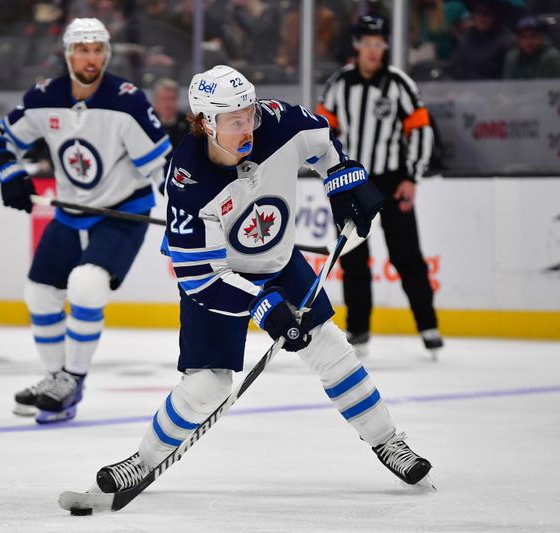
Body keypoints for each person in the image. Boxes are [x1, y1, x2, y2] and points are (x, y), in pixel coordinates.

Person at [90, 65, 433, 495]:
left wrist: (344, 180)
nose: (247, 127)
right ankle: (141, 462)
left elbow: (325, 143)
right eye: (234, 121)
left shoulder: (278, 122)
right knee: (207, 384)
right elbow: (200, 277)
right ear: (204, 123)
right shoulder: (187, 181)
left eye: (248, 114)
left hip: (279, 261)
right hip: (217, 278)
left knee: (331, 350)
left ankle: (388, 442)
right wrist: (263, 306)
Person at [0, 18, 171, 424]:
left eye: (98, 49)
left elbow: (163, 166)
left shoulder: (127, 100)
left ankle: (72, 379)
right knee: (38, 292)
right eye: (82, 49)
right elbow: (1, 140)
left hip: (123, 211)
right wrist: (10, 174)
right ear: (68, 54)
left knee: (87, 284)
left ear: (107, 53)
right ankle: (54, 376)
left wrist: (182, 211)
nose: (91, 57)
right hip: (71, 211)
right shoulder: (43, 98)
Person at [318, 15, 443, 357]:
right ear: (357, 45)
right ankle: (358, 330)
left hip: (391, 181)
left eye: (379, 44)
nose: (374, 51)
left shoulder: (399, 83)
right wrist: (334, 176)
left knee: (407, 257)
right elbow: (322, 135)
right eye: (368, 44)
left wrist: (412, 177)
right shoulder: (338, 84)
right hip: (353, 182)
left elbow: (420, 129)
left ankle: (428, 326)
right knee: (354, 258)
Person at [449, 0, 514, 79]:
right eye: (477, 13)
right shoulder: (467, 36)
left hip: (495, 89)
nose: (481, 18)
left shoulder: (507, 41)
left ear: (496, 16)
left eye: (487, 14)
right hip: (465, 88)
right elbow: (457, 66)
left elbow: (507, 75)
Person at [504, 14, 560, 79]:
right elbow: (509, 86)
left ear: (541, 37)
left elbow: (557, 87)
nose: (529, 41)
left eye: (533, 36)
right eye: (523, 37)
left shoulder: (553, 58)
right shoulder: (512, 58)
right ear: (518, 39)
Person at [152, 78, 188, 149]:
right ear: (156, 101)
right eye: (163, 99)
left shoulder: (188, 123)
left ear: (176, 100)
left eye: (170, 98)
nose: (167, 104)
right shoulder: (148, 123)